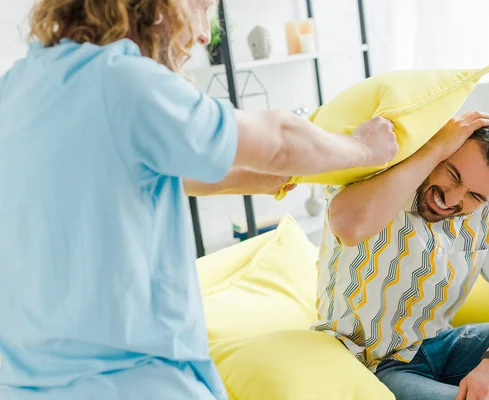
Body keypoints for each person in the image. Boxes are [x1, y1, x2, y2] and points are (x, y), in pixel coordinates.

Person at [0, 0, 399, 399]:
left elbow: (165, 173)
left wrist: (260, 181)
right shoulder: (126, 82)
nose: (206, 32)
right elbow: (279, 140)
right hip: (135, 381)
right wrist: (362, 149)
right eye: (200, 6)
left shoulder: (21, 84)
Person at [312, 113, 489, 400]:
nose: (451, 200)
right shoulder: (381, 174)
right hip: (373, 362)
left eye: (474, 196)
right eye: (452, 175)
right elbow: (348, 226)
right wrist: (434, 147)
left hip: (441, 345)